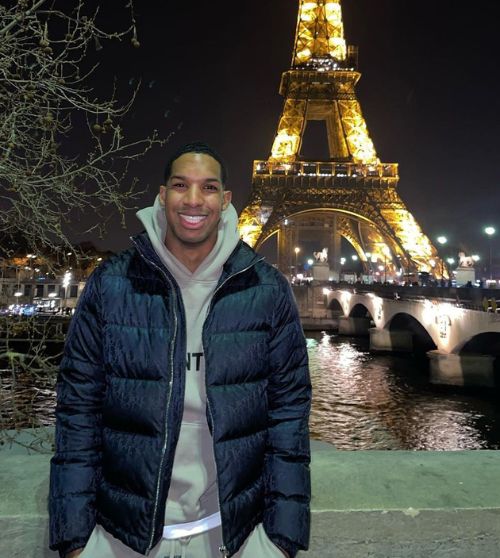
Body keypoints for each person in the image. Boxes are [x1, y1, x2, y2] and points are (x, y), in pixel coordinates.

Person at [49, 141, 311, 558]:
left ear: (225, 200)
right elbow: (77, 408)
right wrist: (76, 541)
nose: (193, 200)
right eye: (180, 185)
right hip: (121, 538)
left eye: (208, 188)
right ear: (162, 195)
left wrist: (281, 541)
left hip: (233, 537)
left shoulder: (267, 289)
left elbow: (289, 413)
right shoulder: (111, 283)